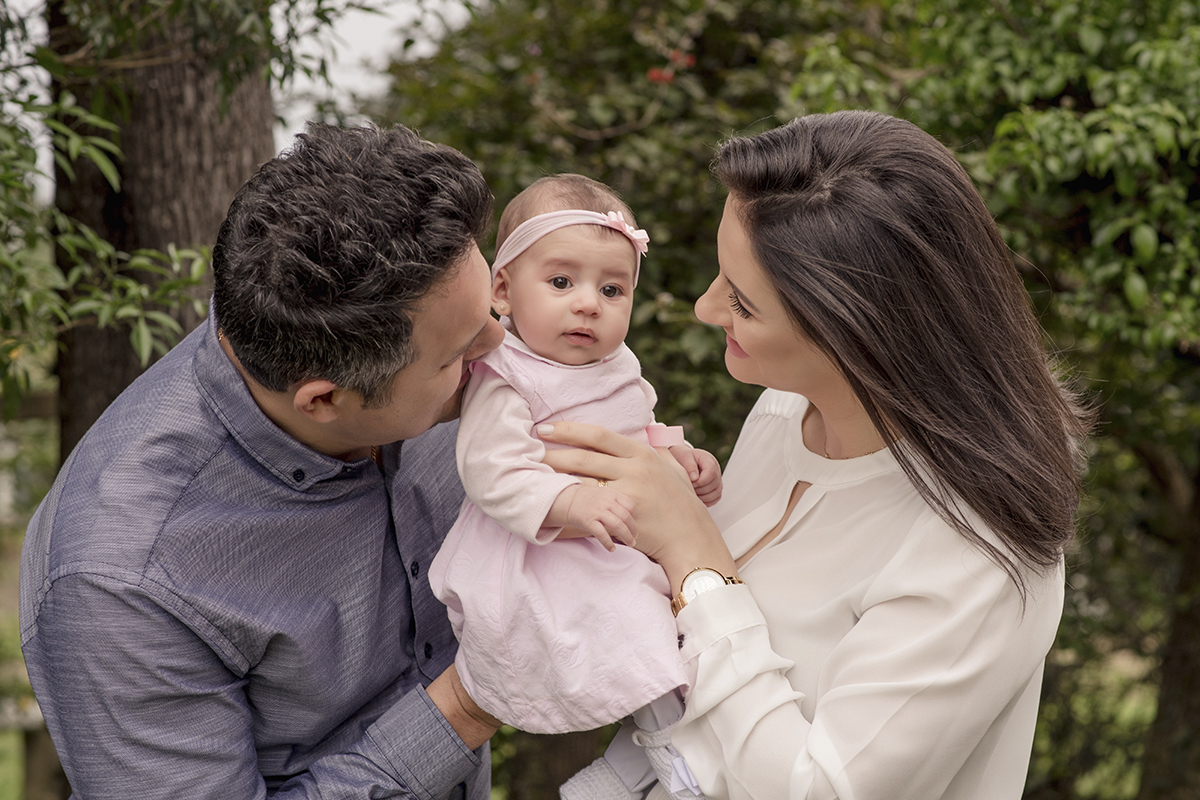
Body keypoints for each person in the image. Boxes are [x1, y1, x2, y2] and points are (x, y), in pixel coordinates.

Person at [546, 110, 1091, 800]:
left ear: (853, 334)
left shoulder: (977, 551)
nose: (706, 309)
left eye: (742, 303)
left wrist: (695, 562)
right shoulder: (786, 409)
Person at [19, 123, 505, 799]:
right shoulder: (121, 579)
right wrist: (469, 706)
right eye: (459, 353)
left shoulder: (396, 350)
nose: (503, 343)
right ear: (326, 400)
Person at [429, 175, 721, 774]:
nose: (588, 302)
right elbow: (492, 470)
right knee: (633, 627)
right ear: (503, 290)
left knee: (693, 628)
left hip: (620, 533)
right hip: (550, 550)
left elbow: (638, 425)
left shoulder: (616, 363)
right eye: (562, 282)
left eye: (612, 289)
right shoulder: (506, 372)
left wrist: (679, 456)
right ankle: (675, 762)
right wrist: (567, 503)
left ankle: (640, 766)